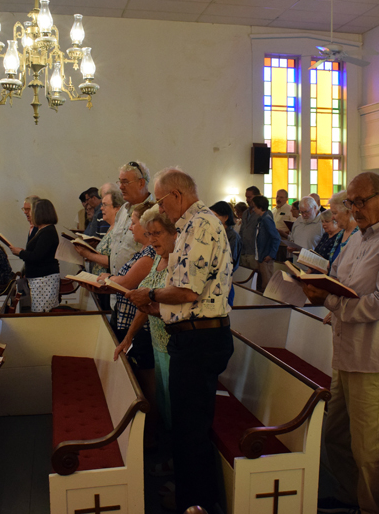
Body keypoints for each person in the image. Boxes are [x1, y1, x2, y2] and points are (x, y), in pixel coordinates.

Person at [303, 172, 379, 514]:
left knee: (367, 448)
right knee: (336, 435)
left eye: (360, 202)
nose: (354, 209)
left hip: (373, 355)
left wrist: (332, 302)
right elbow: (338, 275)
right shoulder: (358, 237)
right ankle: (347, 497)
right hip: (345, 350)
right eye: (350, 202)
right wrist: (316, 283)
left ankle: (370, 508)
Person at [127, 168, 233, 514]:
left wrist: (151, 293)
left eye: (160, 201)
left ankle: (198, 503)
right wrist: (157, 307)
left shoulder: (201, 224)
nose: (160, 208)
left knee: (192, 431)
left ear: (177, 196)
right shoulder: (190, 227)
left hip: (201, 341)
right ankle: (192, 497)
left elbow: (188, 290)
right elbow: (187, 300)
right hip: (191, 336)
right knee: (188, 427)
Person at [117, 205, 177, 430]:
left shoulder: (178, 264)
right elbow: (145, 304)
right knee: (162, 402)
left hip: (174, 346)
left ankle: (175, 456)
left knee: (175, 405)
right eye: (149, 233)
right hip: (157, 344)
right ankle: (167, 452)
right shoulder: (157, 261)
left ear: (174, 234)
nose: (152, 239)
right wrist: (128, 338)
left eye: (158, 233)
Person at [76, 162, 152, 279]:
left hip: (136, 287)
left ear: (141, 183)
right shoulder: (122, 211)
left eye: (125, 182)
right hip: (114, 284)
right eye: (120, 182)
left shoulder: (153, 213)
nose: (121, 187)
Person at [5, 199, 60, 313]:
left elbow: (37, 256)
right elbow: (38, 252)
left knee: (42, 313)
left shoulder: (48, 232)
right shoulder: (43, 230)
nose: (30, 214)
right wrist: (22, 251)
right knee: (37, 310)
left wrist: (20, 253)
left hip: (44, 279)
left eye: (32, 211)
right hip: (39, 278)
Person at [210, 201, 242, 305]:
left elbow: (230, 261)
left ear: (225, 217)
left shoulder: (232, 236)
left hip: (225, 280)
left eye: (215, 216)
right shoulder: (215, 233)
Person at [251, 195, 281, 292]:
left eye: (255, 207)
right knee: (261, 283)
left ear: (260, 207)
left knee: (267, 284)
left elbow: (276, 237)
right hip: (260, 256)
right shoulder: (261, 219)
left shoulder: (266, 219)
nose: (253, 209)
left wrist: (271, 254)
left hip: (265, 257)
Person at [326, 191, 360, 267]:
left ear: (348, 212)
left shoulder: (359, 234)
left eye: (335, 213)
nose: (332, 218)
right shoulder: (341, 233)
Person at [239, 186, 261, 275]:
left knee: (255, 279)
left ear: (257, 197)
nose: (247, 200)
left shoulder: (262, 213)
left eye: (249, 197)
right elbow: (242, 230)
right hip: (244, 251)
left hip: (254, 252)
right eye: (246, 197)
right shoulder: (245, 213)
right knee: (244, 276)